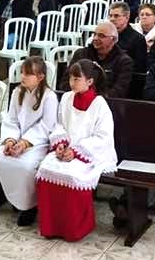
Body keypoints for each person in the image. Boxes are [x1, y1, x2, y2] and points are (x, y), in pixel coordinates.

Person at [36, 60, 117, 242]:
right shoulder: (66, 98)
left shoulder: (99, 104)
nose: (72, 83)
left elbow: (102, 137)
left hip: (89, 154)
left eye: (76, 79)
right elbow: (59, 125)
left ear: (90, 81)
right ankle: (51, 226)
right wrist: (60, 144)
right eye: (71, 78)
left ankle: (74, 229)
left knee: (73, 175)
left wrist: (76, 151)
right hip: (66, 150)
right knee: (46, 169)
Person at [0, 56, 58, 227]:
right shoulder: (17, 92)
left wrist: (25, 143)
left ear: (41, 77)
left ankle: (30, 206)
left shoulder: (49, 97)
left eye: (28, 74)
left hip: (38, 143)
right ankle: (15, 199)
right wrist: (10, 140)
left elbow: (46, 126)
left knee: (26, 166)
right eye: (22, 73)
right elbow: (11, 120)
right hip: (17, 139)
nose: (23, 77)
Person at [64, 22, 133, 98]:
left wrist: (94, 99)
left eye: (101, 36)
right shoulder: (81, 54)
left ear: (113, 40)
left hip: (106, 104)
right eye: (94, 34)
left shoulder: (124, 61)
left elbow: (119, 91)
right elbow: (65, 82)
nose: (95, 38)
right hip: (77, 99)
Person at [109, 2, 149, 72]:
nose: (112, 19)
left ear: (127, 18)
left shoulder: (138, 39)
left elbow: (140, 69)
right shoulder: (107, 36)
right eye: (110, 16)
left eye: (116, 16)